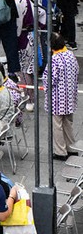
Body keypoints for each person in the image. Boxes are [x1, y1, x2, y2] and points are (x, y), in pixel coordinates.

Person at [43, 32, 79, 160]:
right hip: (70, 96)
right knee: (68, 123)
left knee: (57, 125)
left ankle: (60, 151)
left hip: (57, 99)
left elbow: (49, 80)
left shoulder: (54, 60)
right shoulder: (70, 55)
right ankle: (72, 148)